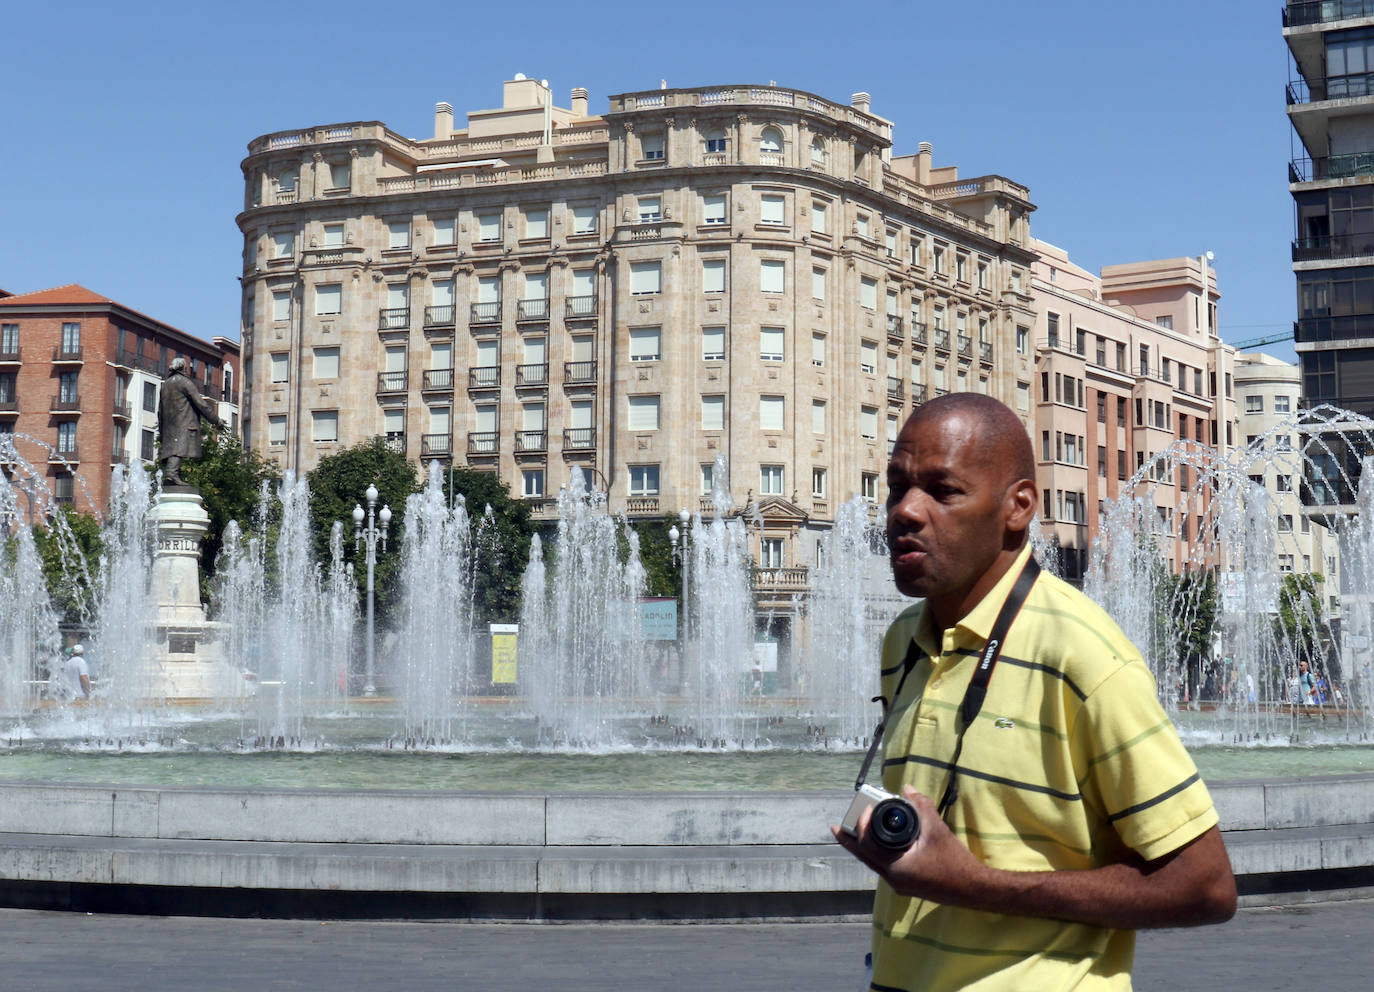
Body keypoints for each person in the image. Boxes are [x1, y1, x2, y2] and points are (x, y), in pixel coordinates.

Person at [832, 394, 1235, 992]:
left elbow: (1205, 886)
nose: (905, 511)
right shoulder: (905, 642)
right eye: (897, 487)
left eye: (942, 491)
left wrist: (972, 886)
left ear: (1018, 507)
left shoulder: (1083, 655)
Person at [157, 356, 224, 486]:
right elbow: (201, 403)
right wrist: (216, 420)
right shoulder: (185, 382)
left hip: (169, 424)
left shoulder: (165, 384)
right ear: (182, 368)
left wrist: (161, 429)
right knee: (178, 449)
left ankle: (174, 475)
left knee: (174, 448)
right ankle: (171, 474)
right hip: (183, 422)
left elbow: (160, 410)